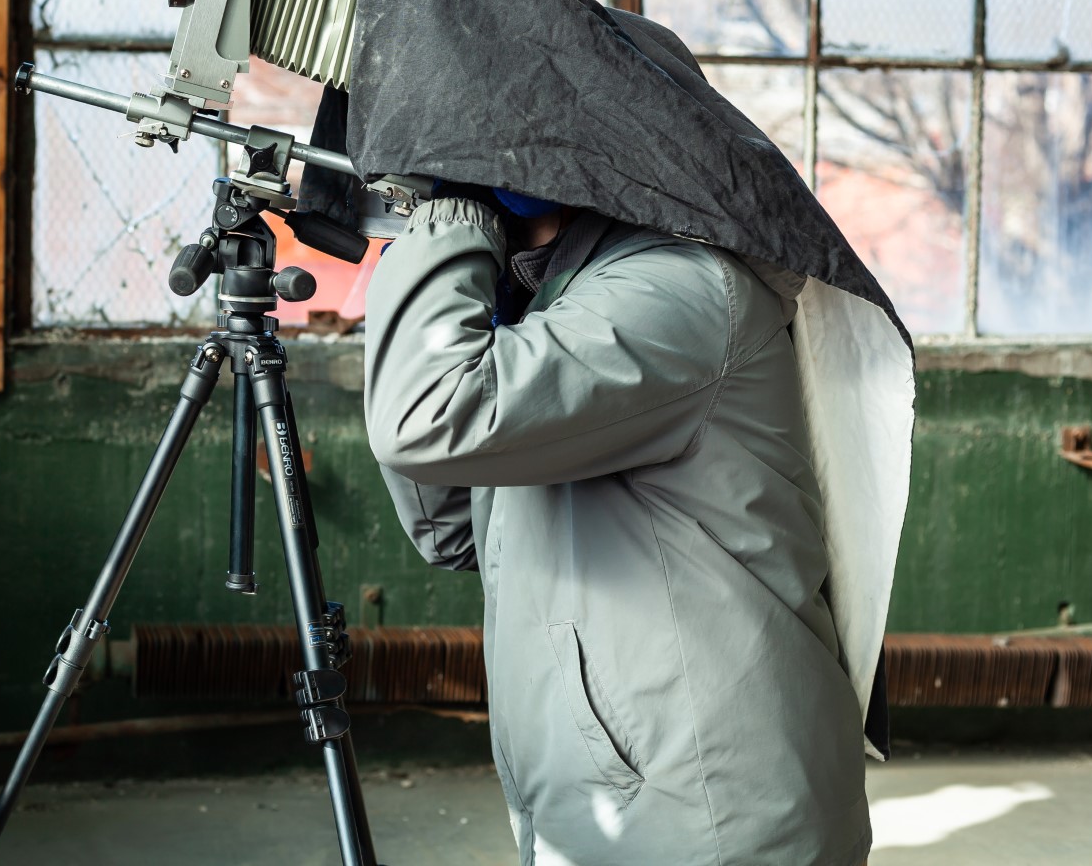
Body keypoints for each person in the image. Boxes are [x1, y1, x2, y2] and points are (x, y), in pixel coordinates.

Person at [363, 187, 872, 866]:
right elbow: (451, 530)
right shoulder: (556, 304)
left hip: (709, 811)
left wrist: (444, 229)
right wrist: (454, 290)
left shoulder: (673, 290)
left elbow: (426, 424)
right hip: (611, 804)